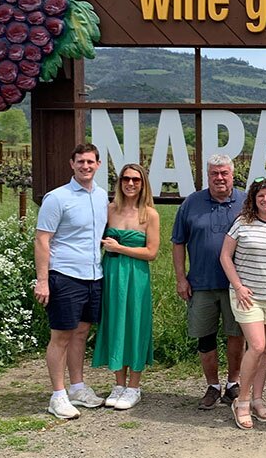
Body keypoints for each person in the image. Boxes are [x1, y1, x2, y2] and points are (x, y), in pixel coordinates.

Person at [33, 143, 110, 419]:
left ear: (98, 165)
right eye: (80, 162)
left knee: (81, 334)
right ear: (71, 164)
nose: (85, 166)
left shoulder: (101, 196)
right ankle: (58, 395)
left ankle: (77, 388)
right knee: (61, 336)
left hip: (93, 276)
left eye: (90, 162)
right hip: (64, 276)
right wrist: (43, 280)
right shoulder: (57, 198)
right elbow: (42, 239)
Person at [171, 154, 246, 410]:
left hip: (236, 285)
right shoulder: (192, 203)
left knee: (236, 334)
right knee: (205, 336)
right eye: (214, 173)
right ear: (207, 175)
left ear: (232, 174)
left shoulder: (246, 202)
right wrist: (181, 278)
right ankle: (212, 386)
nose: (219, 178)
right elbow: (178, 242)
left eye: (224, 173)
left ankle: (234, 383)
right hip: (201, 283)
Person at [219, 177, 266, 430]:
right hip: (247, 296)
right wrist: (238, 286)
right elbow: (225, 256)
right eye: (260, 196)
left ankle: (259, 399)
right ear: (253, 199)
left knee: (265, 348)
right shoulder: (242, 223)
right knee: (257, 345)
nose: (265, 199)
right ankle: (242, 401)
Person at [92, 163, 160, 411]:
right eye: (126, 179)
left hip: (136, 276)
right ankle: (118, 384)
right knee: (114, 324)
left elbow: (151, 252)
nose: (130, 184)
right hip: (111, 274)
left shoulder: (149, 214)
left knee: (135, 325)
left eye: (136, 180)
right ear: (119, 182)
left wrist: (120, 248)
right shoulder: (109, 209)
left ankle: (134, 386)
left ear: (143, 184)